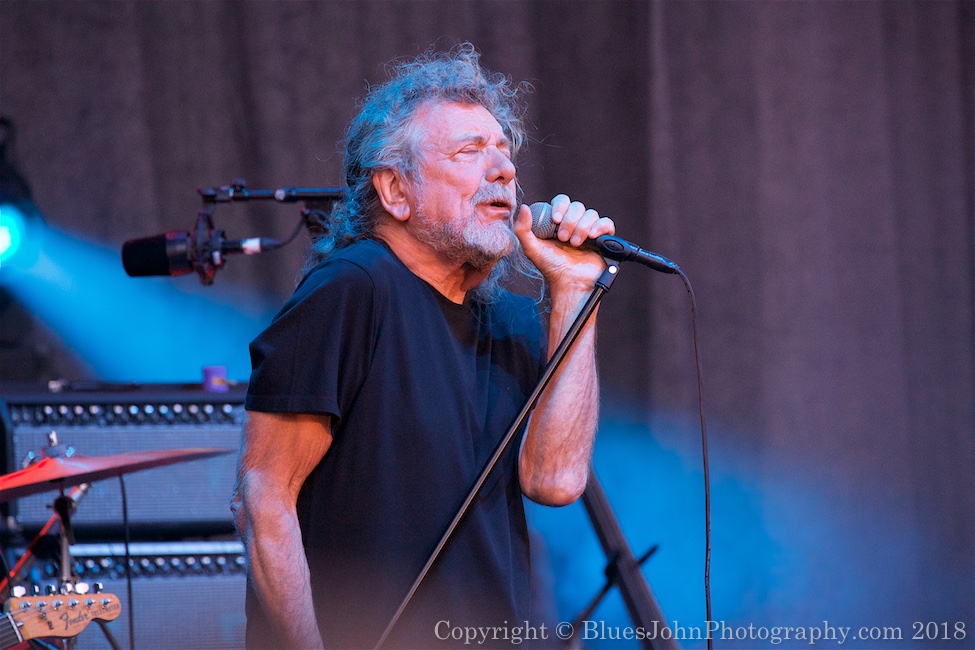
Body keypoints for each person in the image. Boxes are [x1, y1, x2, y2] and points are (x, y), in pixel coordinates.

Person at [232, 43, 615, 649]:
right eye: (471, 151)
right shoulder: (352, 291)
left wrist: (574, 290)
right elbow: (263, 496)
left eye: (505, 154)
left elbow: (555, 480)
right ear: (395, 191)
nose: (504, 171)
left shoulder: (512, 319)